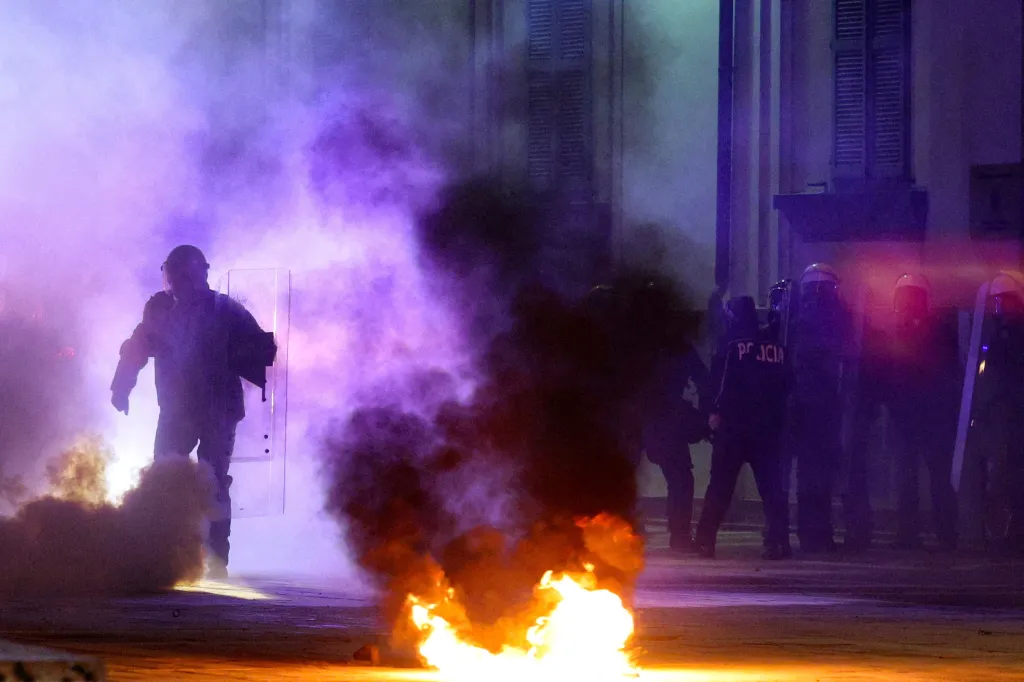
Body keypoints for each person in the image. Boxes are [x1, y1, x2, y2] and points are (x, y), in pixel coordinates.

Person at [110, 245, 277, 578]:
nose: (179, 282)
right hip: (179, 409)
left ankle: (213, 560)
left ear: (198, 274)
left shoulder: (225, 310)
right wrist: (121, 387)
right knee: (166, 478)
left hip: (216, 410)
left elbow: (263, 347)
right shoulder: (161, 310)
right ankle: (164, 556)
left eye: (184, 275)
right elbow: (137, 347)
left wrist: (239, 354)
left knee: (211, 481)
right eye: (175, 275)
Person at [694, 295, 792, 559]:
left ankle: (705, 541)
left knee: (720, 486)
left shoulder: (731, 344)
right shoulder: (776, 347)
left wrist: (714, 412)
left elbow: (721, 383)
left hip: (734, 427)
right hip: (768, 429)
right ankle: (779, 542)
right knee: (772, 488)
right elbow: (787, 385)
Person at [884, 274, 959, 551]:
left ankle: (929, 533)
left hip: (922, 416)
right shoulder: (937, 332)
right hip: (922, 416)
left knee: (920, 476)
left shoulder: (932, 332)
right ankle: (938, 534)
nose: (908, 303)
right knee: (920, 476)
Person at [789, 264, 846, 553]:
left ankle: (808, 534)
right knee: (822, 475)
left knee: (806, 475)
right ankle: (821, 534)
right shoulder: (838, 321)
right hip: (826, 409)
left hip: (801, 409)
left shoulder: (796, 321)